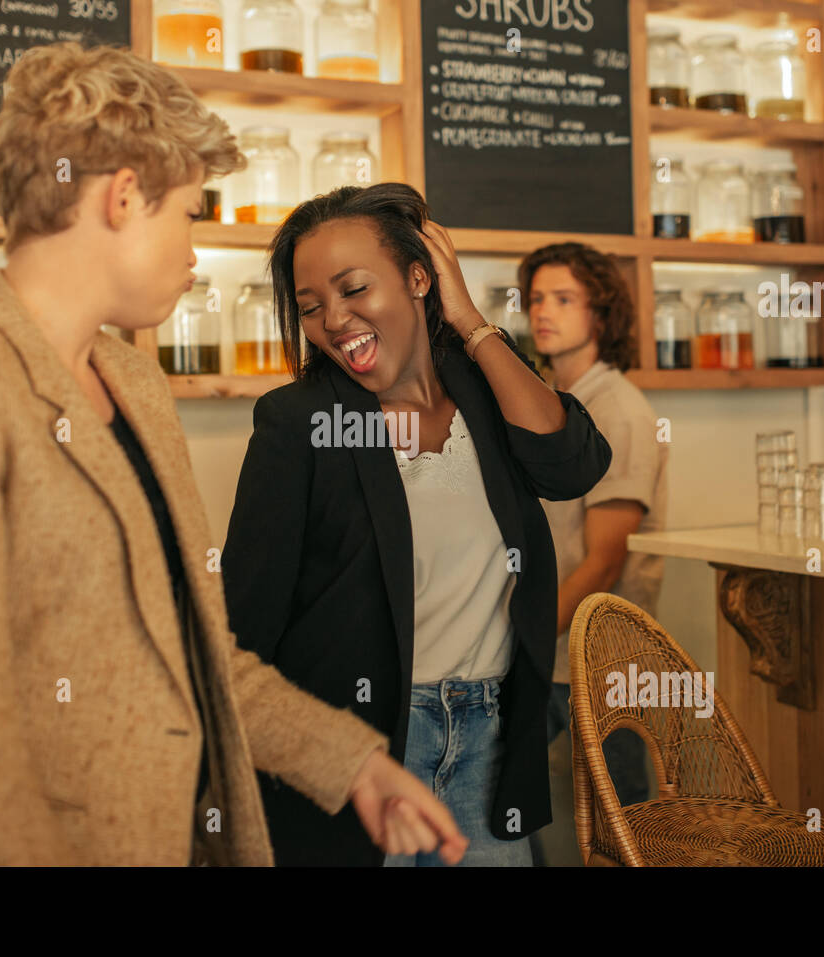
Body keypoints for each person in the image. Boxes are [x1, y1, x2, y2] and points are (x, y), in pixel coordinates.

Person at [0, 42, 467, 866]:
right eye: (191, 214)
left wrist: (356, 766)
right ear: (125, 196)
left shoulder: (135, 381)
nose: (195, 250)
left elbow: (197, 653)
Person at [221, 183, 613, 866]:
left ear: (419, 277)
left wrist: (471, 322)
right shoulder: (296, 422)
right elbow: (244, 626)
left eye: (353, 289)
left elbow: (573, 464)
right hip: (365, 752)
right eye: (310, 307)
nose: (335, 320)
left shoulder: (486, 391)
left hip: (490, 742)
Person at [520, 242, 670, 866]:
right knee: (501, 796)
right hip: (552, 650)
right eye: (535, 299)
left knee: (624, 823)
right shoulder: (547, 399)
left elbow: (603, 562)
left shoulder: (621, 411)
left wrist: (519, 637)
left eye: (563, 299)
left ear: (601, 316)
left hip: (601, 657)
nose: (543, 313)